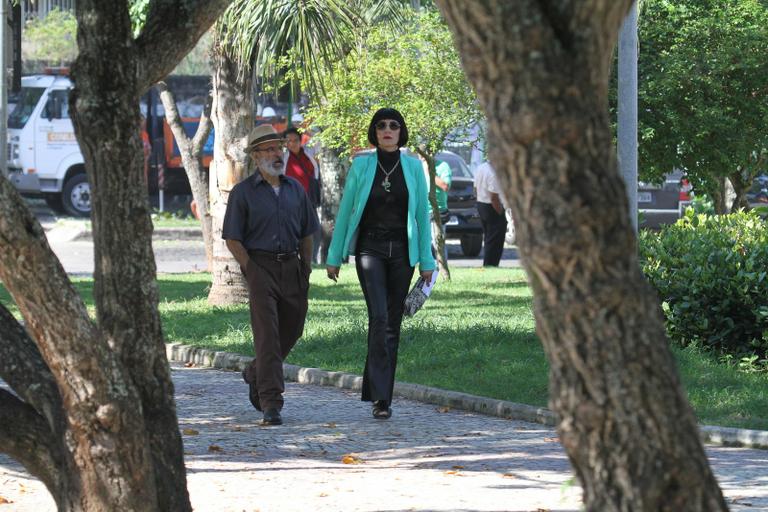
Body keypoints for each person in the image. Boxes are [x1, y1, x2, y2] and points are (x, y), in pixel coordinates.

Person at [326, 108, 435, 420]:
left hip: (403, 250)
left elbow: (421, 216)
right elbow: (346, 212)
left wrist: (427, 260)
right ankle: (380, 397)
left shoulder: (414, 167)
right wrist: (334, 257)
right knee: (378, 317)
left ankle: (381, 395)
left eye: (394, 125)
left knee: (392, 323)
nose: (387, 130)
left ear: (402, 132)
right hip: (370, 248)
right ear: (374, 132)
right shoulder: (361, 165)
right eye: (381, 126)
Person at [222, 124, 319, 426]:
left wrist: (306, 266)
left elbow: (307, 233)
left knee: (293, 329)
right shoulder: (243, 193)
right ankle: (271, 402)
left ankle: (254, 372)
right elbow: (232, 237)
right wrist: (250, 269)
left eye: (278, 147)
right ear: (255, 156)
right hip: (260, 267)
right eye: (269, 149)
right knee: (267, 336)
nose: (278, 154)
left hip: (293, 267)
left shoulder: (295, 190)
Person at [283, 126, 322, 262]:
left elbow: (319, 141)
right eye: (288, 141)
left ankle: (312, 259)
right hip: (289, 200)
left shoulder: (308, 152)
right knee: (292, 229)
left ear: (301, 141)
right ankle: (293, 257)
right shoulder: (283, 157)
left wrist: (306, 130)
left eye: (295, 140)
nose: (292, 144)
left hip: (309, 199)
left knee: (314, 229)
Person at [474, 161, 508, 266]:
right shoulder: (494, 172)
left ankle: (489, 263)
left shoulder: (481, 167)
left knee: (489, 237)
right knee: (495, 239)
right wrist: (500, 212)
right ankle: (491, 264)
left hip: (481, 203)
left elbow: (474, 188)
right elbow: (494, 197)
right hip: (491, 206)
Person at [421, 156, 452, 262]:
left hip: (437, 211)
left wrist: (429, 172)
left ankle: (439, 272)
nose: (422, 158)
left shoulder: (442, 166)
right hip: (422, 211)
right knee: (424, 244)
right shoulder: (417, 165)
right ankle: (428, 275)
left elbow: (445, 186)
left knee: (437, 243)